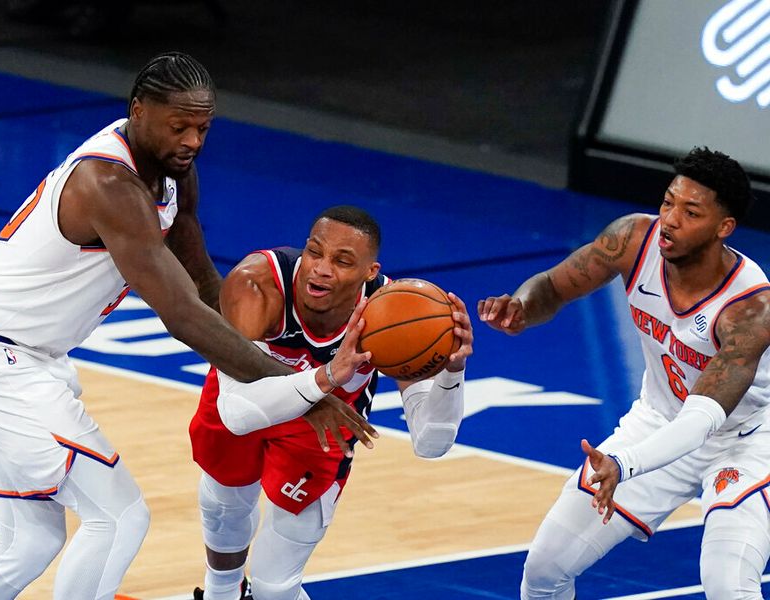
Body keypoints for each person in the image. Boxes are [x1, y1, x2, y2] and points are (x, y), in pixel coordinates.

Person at [0, 52, 376, 599]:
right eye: (178, 126)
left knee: (29, 540)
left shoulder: (173, 173)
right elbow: (182, 314)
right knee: (118, 519)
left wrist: (260, 361)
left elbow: (202, 279)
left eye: (202, 128)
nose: (191, 141)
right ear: (138, 112)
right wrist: (303, 388)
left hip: (27, 358)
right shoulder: (108, 185)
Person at [478, 147, 770, 599]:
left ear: (723, 228)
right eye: (668, 202)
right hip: (659, 418)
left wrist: (624, 463)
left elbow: (702, 421)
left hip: (747, 441)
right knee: (545, 567)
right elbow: (553, 286)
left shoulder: (750, 310)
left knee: (727, 583)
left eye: (690, 212)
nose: (670, 219)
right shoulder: (633, 240)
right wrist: (521, 307)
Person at [188, 205, 473, 600]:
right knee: (224, 508)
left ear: (369, 273)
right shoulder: (257, 283)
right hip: (247, 396)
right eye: (314, 252)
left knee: (274, 589)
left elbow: (431, 444)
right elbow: (236, 413)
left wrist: (450, 373)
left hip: (321, 429)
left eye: (342, 261)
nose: (321, 268)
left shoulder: (394, 313)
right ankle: (223, 593)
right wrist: (325, 379)